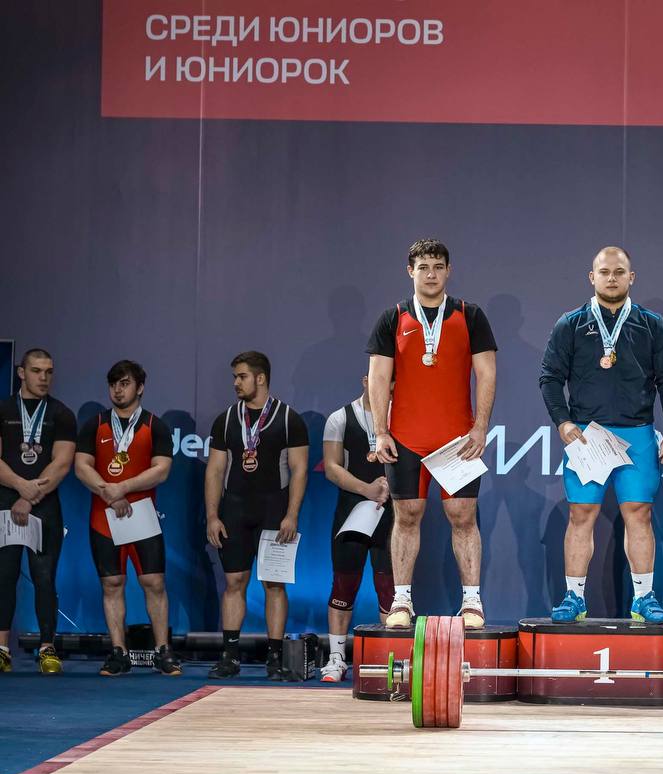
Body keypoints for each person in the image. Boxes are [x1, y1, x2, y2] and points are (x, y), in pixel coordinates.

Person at [538, 246, 663, 623]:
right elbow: (550, 378)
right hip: (588, 436)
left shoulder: (652, 325)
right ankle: (574, 597)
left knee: (639, 513)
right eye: (604, 272)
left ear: (631, 277)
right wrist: (563, 422)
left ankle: (643, 598)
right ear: (592, 277)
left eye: (619, 272)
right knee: (581, 513)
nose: (612, 278)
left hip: (637, 434)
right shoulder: (570, 324)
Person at [367, 238, 497, 630]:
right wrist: (381, 432)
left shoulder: (469, 315)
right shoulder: (392, 318)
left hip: (457, 440)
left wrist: (480, 427)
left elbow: (486, 373)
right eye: (423, 267)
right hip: (406, 437)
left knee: (463, 516)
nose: (431, 274)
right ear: (410, 271)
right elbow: (379, 377)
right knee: (407, 515)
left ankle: (472, 602)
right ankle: (401, 601)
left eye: (438, 267)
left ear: (448, 271)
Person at [204, 351, 309, 680]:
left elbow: (300, 470)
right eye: (234, 377)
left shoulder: (289, 419)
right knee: (234, 582)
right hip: (234, 509)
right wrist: (212, 516)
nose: (236, 383)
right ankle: (230, 657)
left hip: (273, 510)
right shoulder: (225, 420)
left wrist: (291, 515)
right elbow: (214, 471)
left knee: (274, 584)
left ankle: (274, 659)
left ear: (260, 378)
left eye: (242, 377)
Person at [73, 360, 181, 676]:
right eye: (113, 384)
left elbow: (161, 470)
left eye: (125, 383)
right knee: (112, 583)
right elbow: (81, 466)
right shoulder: (94, 425)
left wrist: (122, 487)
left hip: (141, 515)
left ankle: (163, 652)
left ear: (140, 387)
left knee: (154, 582)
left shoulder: (155, 426)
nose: (118, 390)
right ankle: (118, 652)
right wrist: (108, 492)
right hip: (104, 517)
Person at [0, 348, 76, 674]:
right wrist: (21, 487)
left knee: (45, 578)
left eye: (49, 371)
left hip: (44, 507)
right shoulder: (3, 409)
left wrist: (29, 498)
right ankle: (2, 649)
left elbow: (62, 464)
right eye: (36, 371)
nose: (43, 378)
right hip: (5, 504)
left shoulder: (61, 413)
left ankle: (47, 648)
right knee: (3, 577)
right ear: (21, 372)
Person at [319, 376, 393, 683]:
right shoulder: (339, 418)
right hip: (352, 511)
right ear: (365, 381)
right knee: (344, 584)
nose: (383, 386)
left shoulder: (401, 418)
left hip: (392, 512)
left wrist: (388, 488)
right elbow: (332, 467)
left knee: (390, 590)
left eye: (389, 383)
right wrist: (367, 489)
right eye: (377, 380)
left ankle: (391, 661)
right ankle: (336, 659)